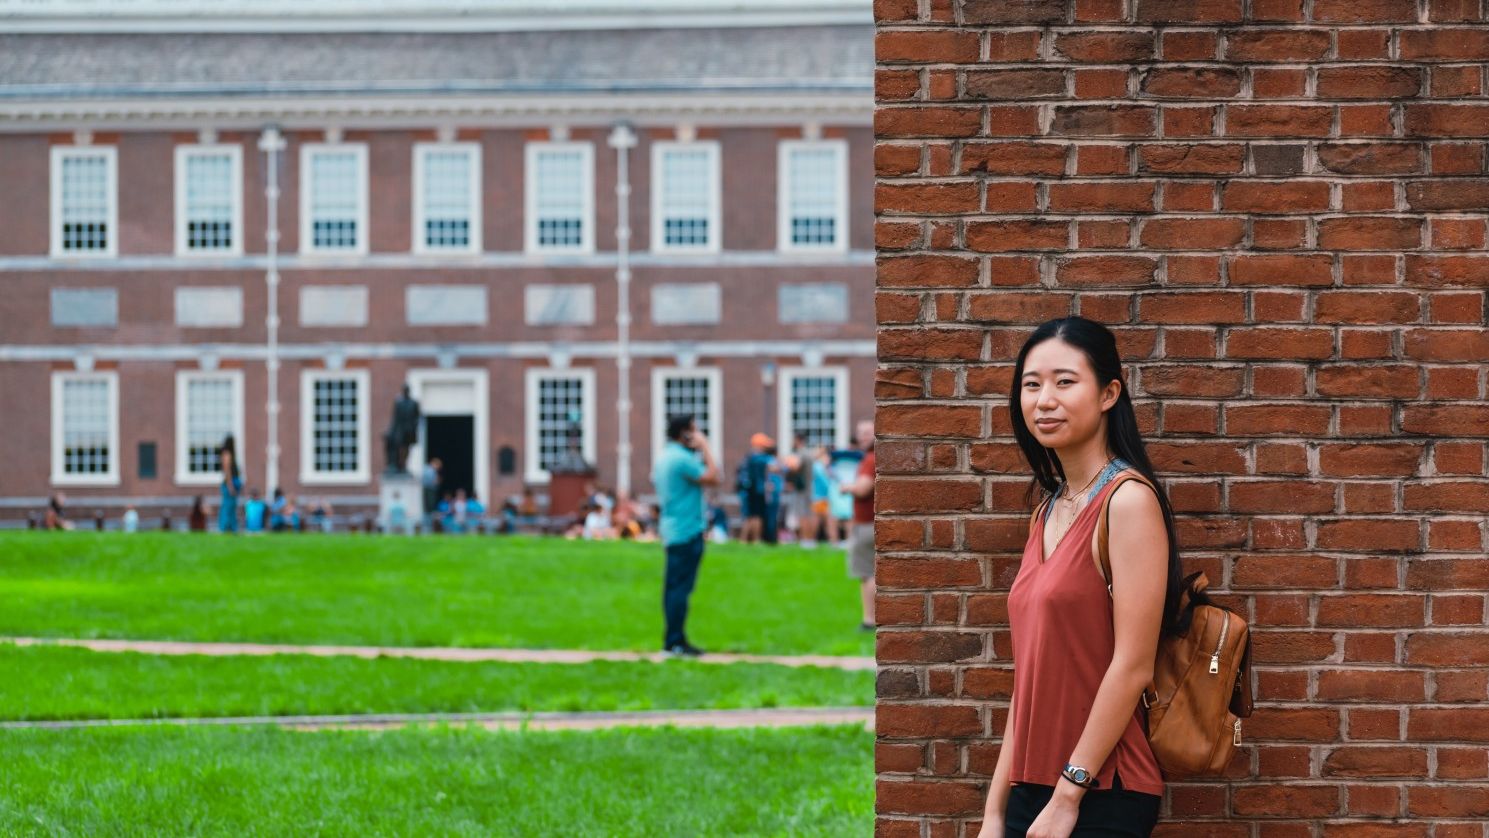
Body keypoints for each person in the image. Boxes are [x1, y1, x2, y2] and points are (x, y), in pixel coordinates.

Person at [976, 317, 1179, 838]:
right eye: (1031, 384)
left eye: (1065, 382)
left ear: (1109, 393)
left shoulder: (1128, 502)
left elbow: (1132, 667)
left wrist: (1069, 795)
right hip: (1032, 788)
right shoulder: (1046, 511)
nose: (1045, 399)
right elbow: (1031, 680)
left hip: (1100, 791)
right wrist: (995, 812)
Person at [652, 413, 720, 657]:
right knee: (681, 589)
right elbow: (714, 476)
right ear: (685, 433)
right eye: (694, 430)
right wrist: (705, 446)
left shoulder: (664, 457)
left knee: (673, 588)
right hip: (687, 529)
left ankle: (673, 640)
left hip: (671, 529)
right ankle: (675, 641)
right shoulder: (682, 459)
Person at [841, 419, 876, 632]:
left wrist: (847, 487)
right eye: (859, 432)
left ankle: (868, 621)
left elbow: (863, 489)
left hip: (866, 525)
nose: (862, 436)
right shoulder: (874, 457)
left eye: (867, 432)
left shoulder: (870, 460)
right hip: (870, 523)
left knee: (868, 573)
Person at [738, 433, 775, 543]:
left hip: (747, 491)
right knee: (757, 516)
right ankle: (756, 539)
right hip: (757, 491)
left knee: (749, 516)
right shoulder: (760, 458)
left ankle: (743, 540)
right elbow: (776, 467)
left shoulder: (747, 457)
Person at [217, 437, 242, 533]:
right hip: (230, 484)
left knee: (232, 507)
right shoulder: (227, 454)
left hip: (233, 483)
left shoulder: (227, 454)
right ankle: (224, 528)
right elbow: (227, 472)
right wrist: (230, 486)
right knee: (227, 507)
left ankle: (232, 528)